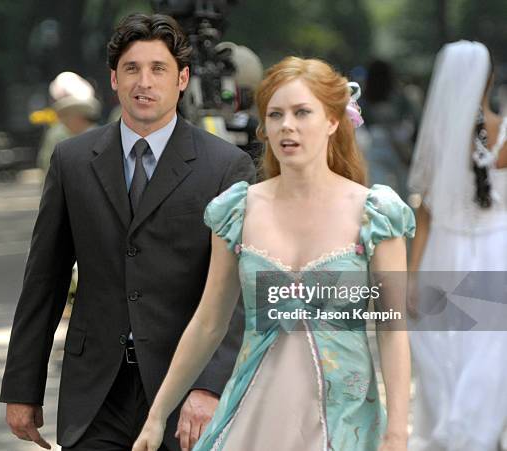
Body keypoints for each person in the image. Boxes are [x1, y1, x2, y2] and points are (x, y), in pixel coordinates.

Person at [0, 13, 255, 451]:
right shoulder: (72, 161)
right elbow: (45, 279)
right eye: (132, 69)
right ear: (113, 79)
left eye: (159, 69)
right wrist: (23, 386)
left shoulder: (225, 166)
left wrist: (210, 385)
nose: (145, 82)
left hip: (183, 388)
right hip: (96, 392)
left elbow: (238, 292)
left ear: (182, 79)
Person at [133, 56, 415, 451]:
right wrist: (157, 415)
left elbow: (392, 329)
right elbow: (209, 323)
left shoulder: (376, 214)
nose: (287, 126)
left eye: (302, 112)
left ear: (333, 121)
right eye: (275, 114)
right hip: (255, 417)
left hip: (346, 422)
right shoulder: (238, 210)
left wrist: (397, 433)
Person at [407, 40, 507, 451]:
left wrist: (412, 274)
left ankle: (446, 431)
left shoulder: (437, 139)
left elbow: (425, 214)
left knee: (443, 344)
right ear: (490, 80)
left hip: (443, 250)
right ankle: (477, 432)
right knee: (490, 350)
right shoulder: (504, 131)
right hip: (494, 250)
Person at [359, 59, 418, 200]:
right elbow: (413, 117)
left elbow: (362, 121)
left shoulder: (366, 95)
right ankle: (407, 218)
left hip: (375, 142)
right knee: (404, 188)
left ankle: (384, 219)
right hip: (399, 143)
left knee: (378, 189)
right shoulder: (399, 94)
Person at [36, 71, 102, 174]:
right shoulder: (56, 136)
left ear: (79, 115)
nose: (63, 120)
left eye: (66, 114)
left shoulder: (103, 139)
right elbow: (48, 170)